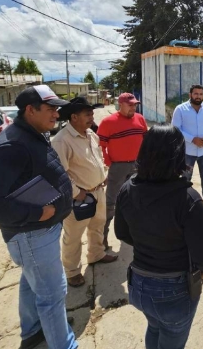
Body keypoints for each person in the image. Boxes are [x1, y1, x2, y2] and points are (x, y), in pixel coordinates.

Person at [0, 85, 77, 349]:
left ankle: (32, 331)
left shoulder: (33, 133)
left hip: (39, 233)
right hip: (32, 234)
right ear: (30, 110)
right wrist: (37, 212)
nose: (56, 114)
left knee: (31, 283)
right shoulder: (12, 146)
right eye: (50, 109)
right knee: (52, 294)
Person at [115, 124, 203, 349]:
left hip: (139, 285)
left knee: (154, 327)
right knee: (170, 336)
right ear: (178, 154)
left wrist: (149, 242)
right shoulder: (188, 199)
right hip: (174, 291)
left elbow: (121, 233)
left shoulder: (126, 189)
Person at [52, 97, 118, 288]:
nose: (92, 117)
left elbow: (96, 158)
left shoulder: (90, 134)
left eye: (91, 113)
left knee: (97, 225)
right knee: (73, 236)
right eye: (87, 114)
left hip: (97, 190)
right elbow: (59, 173)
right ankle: (72, 271)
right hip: (79, 197)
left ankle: (96, 254)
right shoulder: (62, 140)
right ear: (73, 117)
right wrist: (76, 192)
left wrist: (102, 174)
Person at [97, 92, 148, 249]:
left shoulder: (140, 119)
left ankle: (135, 233)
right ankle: (102, 238)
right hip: (118, 167)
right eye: (130, 104)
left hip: (137, 166)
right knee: (111, 202)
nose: (133, 107)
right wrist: (108, 163)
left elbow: (146, 141)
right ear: (121, 105)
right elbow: (100, 146)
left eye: (135, 104)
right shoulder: (108, 122)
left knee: (136, 200)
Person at [172, 85, 203, 211]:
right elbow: (175, 129)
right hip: (188, 151)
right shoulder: (180, 109)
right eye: (195, 94)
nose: (198, 96)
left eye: (200, 94)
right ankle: (182, 201)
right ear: (190, 95)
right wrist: (192, 139)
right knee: (185, 177)